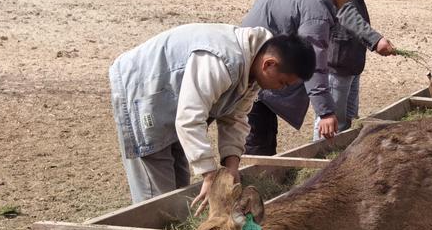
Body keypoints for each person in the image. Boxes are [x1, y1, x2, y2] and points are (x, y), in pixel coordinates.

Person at [109, 24, 315, 214]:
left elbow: (235, 116)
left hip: (174, 102)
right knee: (157, 195)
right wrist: (210, 176)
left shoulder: (254, 68)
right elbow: (190, 119)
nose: (282, 89)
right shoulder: (220, 61)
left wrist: (230, 168)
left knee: (180, 184)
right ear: (269, 64)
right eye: (283, 83)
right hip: (143, 90)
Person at [241, 0, 363, 156]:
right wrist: (325, 112)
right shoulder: (316, 11)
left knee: (260, 134)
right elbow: (316, 63)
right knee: (258, 143)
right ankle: (253, 182)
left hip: (252, 65)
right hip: (259, 75)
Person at [311, 0, 396, 139]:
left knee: (347, 120)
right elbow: (345, 11)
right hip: (336, 57)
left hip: (349, 53)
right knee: (330, 124)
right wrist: (375, 39)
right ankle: (320, 167)